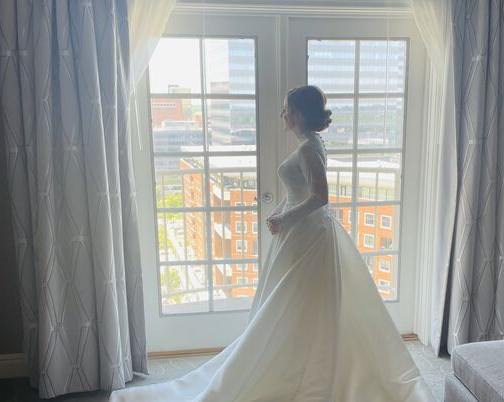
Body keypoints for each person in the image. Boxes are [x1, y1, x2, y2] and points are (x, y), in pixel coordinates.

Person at [110, 85, 434, 402]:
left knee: (299, 301)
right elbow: (298, 192)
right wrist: (281, 211)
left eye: (286, 110)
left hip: (309, 235)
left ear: (298, 114)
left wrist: (287, 217)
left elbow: (320, 197)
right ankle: (293, 361)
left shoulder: (308, 149)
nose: (283, 115)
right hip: (302, 232)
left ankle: (306, 370)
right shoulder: (311, 143)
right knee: (295, 302)